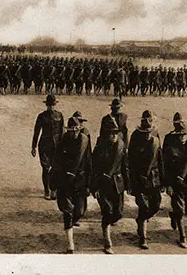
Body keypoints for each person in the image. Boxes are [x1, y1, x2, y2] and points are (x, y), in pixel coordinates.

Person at [50, 117, 92, 254]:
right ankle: (70, 244)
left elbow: (89, 162)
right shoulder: (63, 141)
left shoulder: (85, 141)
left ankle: (71, 224)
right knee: (67, 211)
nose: (73, 133)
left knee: (79, 211)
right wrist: (54, 184)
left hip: (80, 181)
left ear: (79, 129)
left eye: (76, 130)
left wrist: (89, 183)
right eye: (71, 130)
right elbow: (56, 162)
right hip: (65, 182)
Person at [91, 116, 129, 254]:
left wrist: (128, 185)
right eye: (111, 132)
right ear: (106, 133)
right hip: (103, 184)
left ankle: (107, 224)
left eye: (116, 132)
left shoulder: (121, 146)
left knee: (118, 213)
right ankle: (107, 242)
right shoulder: (100, 148)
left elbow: (125, 167)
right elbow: (93, 168)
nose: (114, 135)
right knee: (107, 211)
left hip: (118, 183)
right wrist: (94, 187)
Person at [128, 114, 165, 250]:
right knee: (143, 207)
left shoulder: (156, 136)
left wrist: (163, 180)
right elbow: (130, 160)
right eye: (145, 132)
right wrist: (131, 182)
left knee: (155, 205)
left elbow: (160, 157)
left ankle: (141, 220)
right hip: (139, 178)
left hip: (154, 178)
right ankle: (142, 237)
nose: (148, 135)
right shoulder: (135, 136)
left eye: (149, 132)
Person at [163, 112, 187, 248]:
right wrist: (168, 184)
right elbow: (165, 165)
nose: (182, 137)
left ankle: (174, 215)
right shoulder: (170, 144)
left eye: (184, 134)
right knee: (180, 209)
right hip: (175, 182)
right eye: (180, 134)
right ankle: (183, 237)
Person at [31, 94, 64, 200]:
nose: (51, 107)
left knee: (55, 168)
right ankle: (47, 191)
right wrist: (33, 146)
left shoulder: (60, 115)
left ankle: (54, 190)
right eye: (50, 105)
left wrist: (63, 146)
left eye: (53, 105)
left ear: (55, 105)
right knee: (45, 168)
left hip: (57, 145)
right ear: (47, 105)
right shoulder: (42, 116)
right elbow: (36, 131)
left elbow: (62, 131)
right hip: (44, 145)